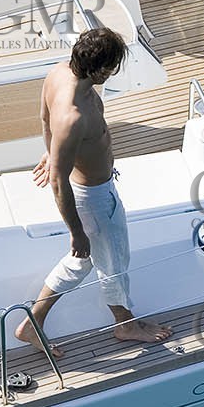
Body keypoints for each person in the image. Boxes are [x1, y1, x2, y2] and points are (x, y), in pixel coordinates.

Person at [15, 28, 172, 356]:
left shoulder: (59, 72)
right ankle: (125, 325)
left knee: (83, 262)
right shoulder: (74, 116)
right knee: (113, 261)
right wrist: (76, 232)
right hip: (96, 198)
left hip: (93, 190)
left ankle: (33, 322)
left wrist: (54, 151)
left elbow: (44, 119)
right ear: (102, 69)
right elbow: (58, 182)